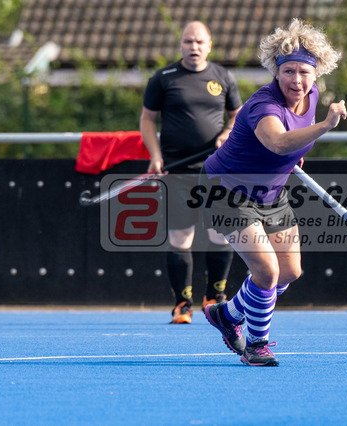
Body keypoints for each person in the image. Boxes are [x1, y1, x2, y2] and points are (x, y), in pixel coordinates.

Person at [201, 18, 345, 366]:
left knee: (290, 271)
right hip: (227, 191)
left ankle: (226, 315)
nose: (297, 80)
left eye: (304, 72)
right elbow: (279, 142)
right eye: (288, 71)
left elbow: (292, 142)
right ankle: (256, 346)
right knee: (267, 271)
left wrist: (298, 154)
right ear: (276, 72)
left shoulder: (311, 95)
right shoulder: (262, 105)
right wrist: (325, 126)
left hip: (271, 193)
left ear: (316, 73)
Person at [139, 21, 243, 324]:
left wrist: (227, 133)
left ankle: (214, 298)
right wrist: (155, 156)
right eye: (188, 41)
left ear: (209, 45)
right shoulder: (163, 78)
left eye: (199, 41)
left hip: (217, 171)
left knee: (220, 234)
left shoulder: (223, 77)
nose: (193, 47)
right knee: (181, 237)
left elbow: (238, 117)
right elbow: (147, 120)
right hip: (177, 171)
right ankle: (182, 304)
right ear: (180, 45)